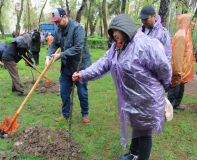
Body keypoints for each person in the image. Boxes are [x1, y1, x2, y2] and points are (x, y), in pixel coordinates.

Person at [72, 14, 172, 160]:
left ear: (125, 29)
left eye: (116, 31)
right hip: (131, 97)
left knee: (144, 132)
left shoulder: (144, 44)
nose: (114, 34)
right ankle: (133, 153)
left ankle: (141, 157)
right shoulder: (116, 48)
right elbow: (103, 64)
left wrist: (165, 83)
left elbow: (163, 67)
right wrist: (83, 75)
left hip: (147, 97)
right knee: (135, 125)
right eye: (112, 32)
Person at [45, 8, 92, 124]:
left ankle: (85, 114)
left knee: (82, 92)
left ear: (65, 17)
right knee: (64, 92)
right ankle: (65, 114)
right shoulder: (58, 30)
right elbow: (54, 44)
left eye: (58, 21)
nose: (57, 25)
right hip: (66, 67)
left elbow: (78, 48)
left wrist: (60, 55)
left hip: (79, 66)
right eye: (55, 22)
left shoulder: (77, 28)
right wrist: (48, 56)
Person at [167, 14, 196, 113]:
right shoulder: (181, 35)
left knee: (180, 87)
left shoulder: (187, 33)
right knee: (175, 86)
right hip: (178, 67)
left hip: (183, 67)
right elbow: (178, 54)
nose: (194, 23)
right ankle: (169, 106)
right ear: (187, 21)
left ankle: (176, 104)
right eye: (192, 21)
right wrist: (178, 69)